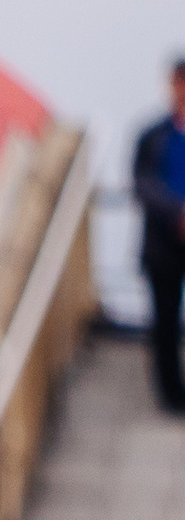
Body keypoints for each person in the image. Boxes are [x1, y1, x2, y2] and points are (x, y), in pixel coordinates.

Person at [134, 58, 185, 415]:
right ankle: (171, 395)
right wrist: (177, 214)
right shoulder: (153, 135)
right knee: (164, 323)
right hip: (165, 245)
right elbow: (142, 183)